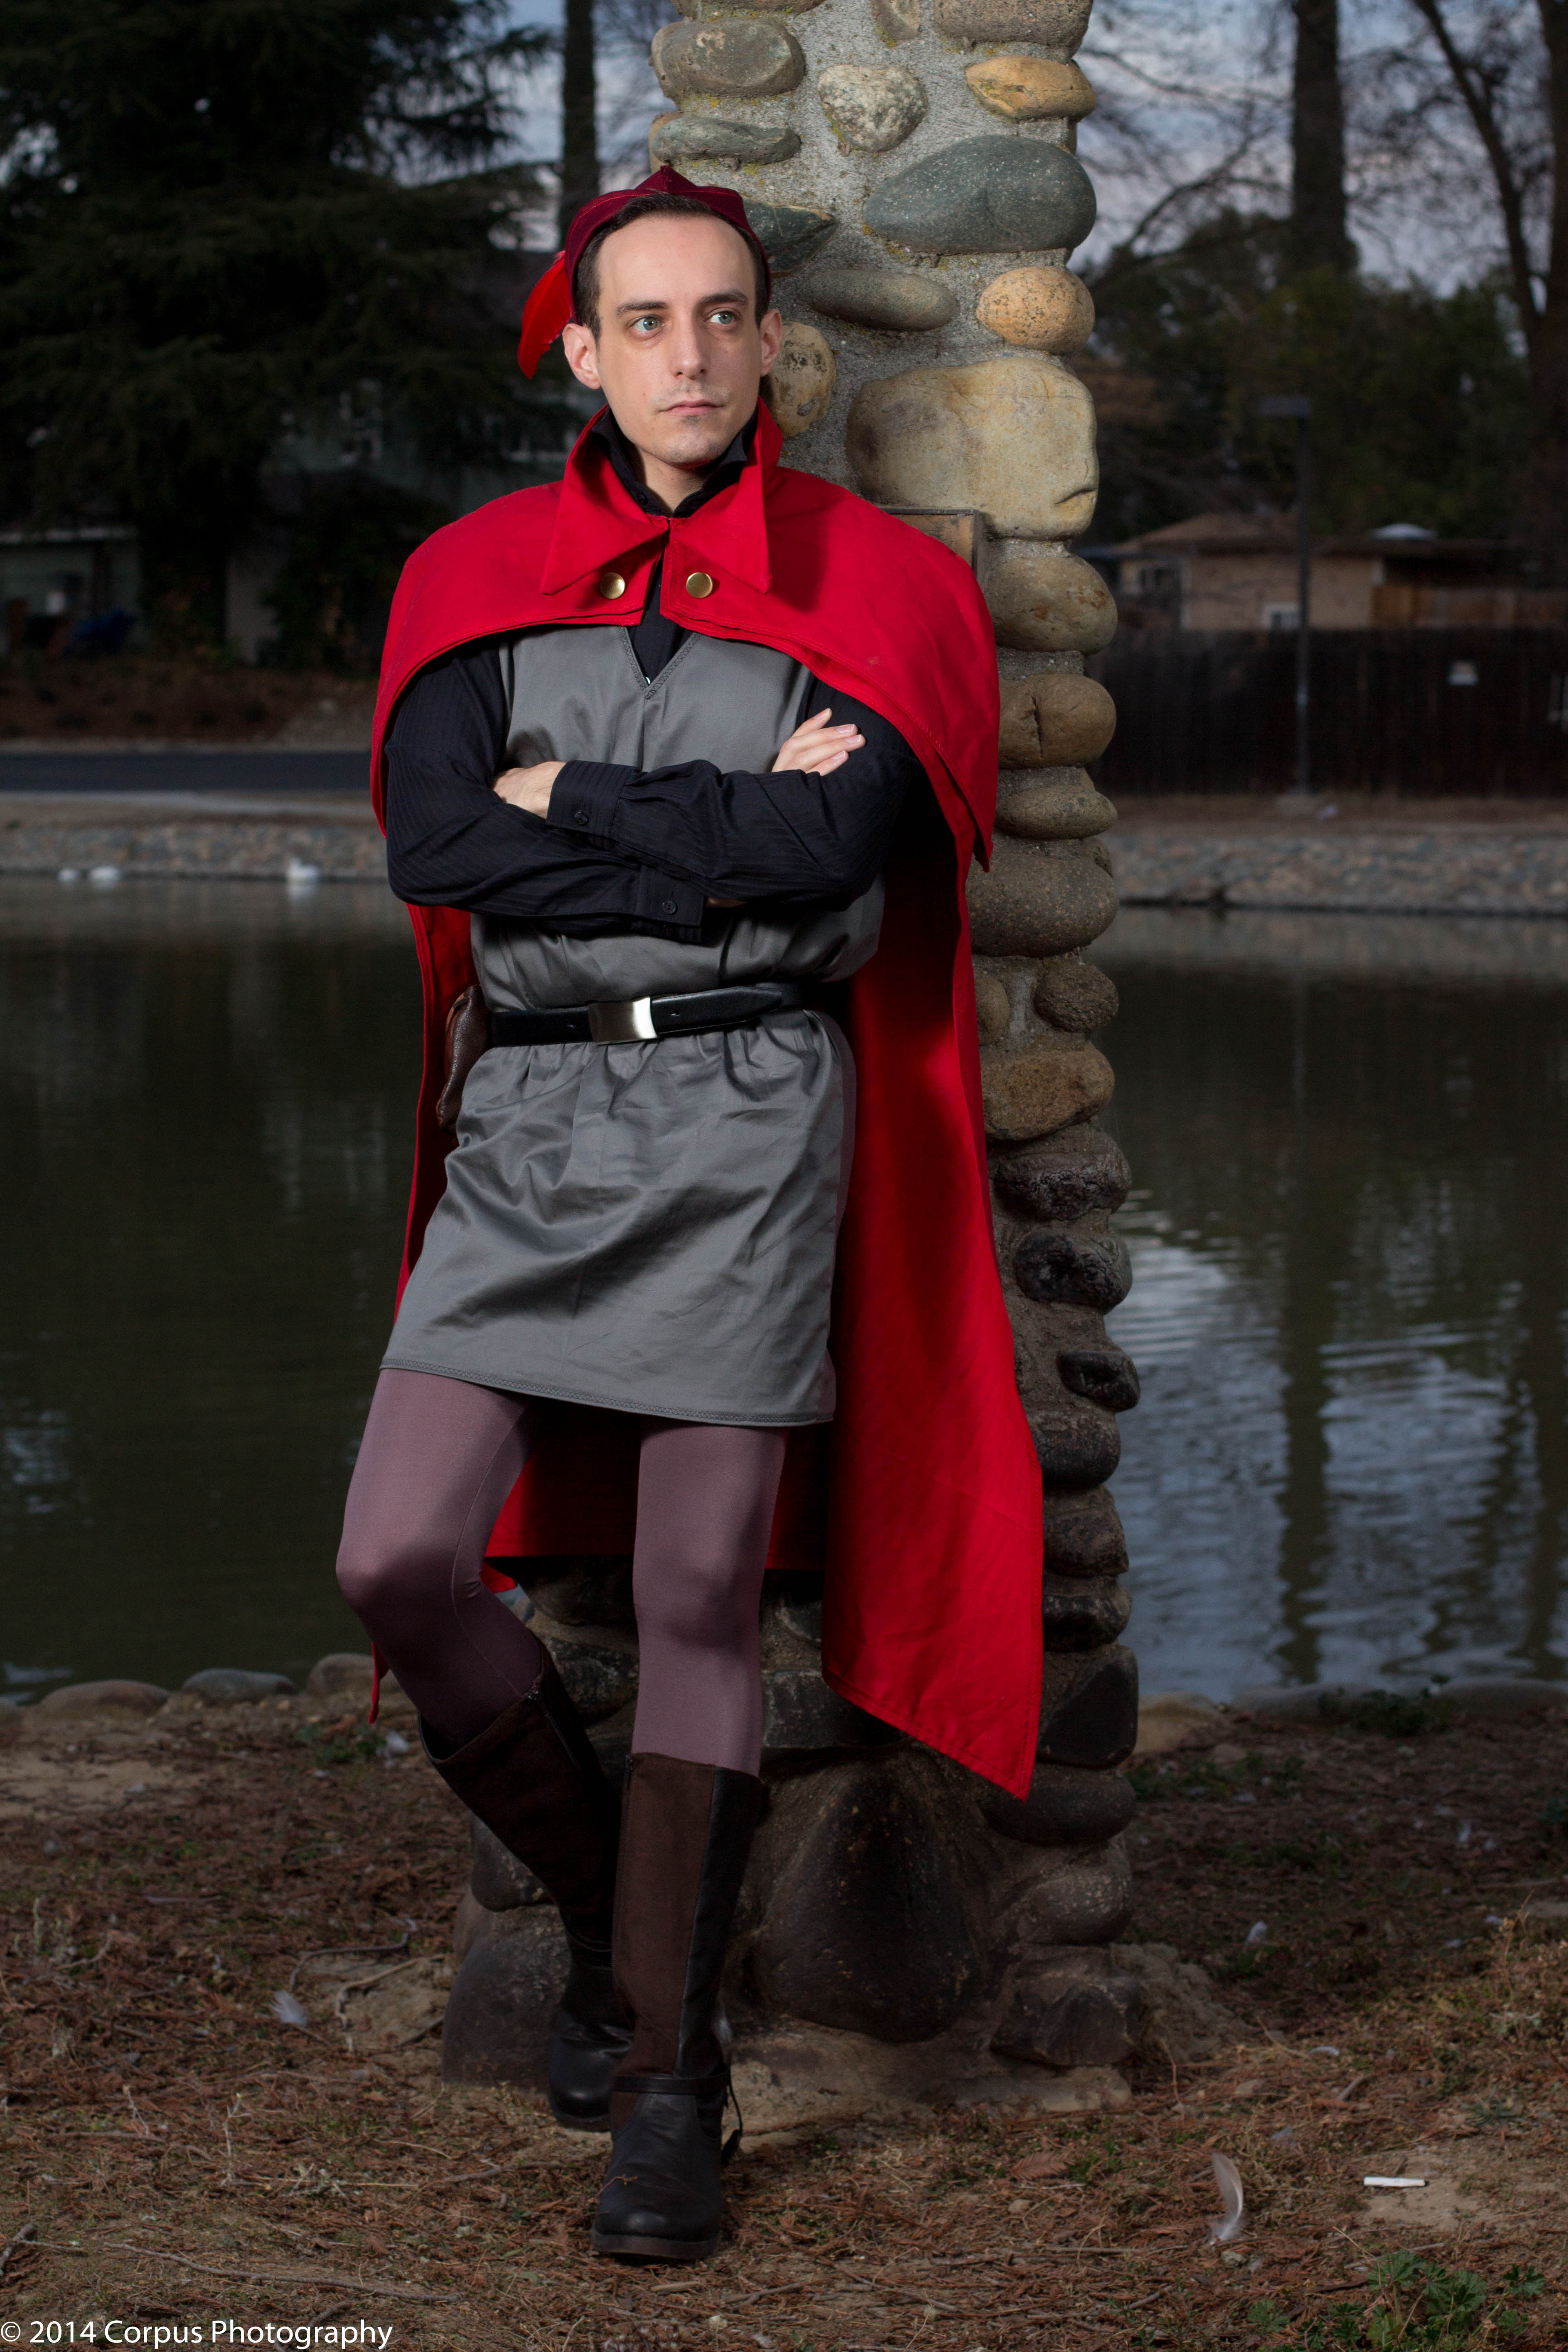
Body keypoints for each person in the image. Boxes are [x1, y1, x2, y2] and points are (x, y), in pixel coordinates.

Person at [336, 166, 1042, 2265]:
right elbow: (436, 842)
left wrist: (570, 798)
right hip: (532, 1122)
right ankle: (605, 1933)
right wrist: (720, 829)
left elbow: (841, 855)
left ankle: (669, 2084)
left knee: (701, 1592)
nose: (692, 354)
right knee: (395, 1556)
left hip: (752, 1115)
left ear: (771, 340)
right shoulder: (471, 578)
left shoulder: (881, 584)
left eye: (725, 314)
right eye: (645, 320)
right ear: (582, 350)